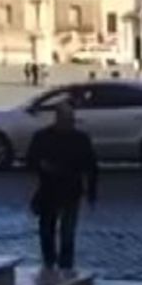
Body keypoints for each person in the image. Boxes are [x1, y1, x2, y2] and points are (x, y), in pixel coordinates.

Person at [26, 102, 98, 272]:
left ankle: (64, 265)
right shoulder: (43, 137)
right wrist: (42, 166)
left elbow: (91, 166)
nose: (70, 123)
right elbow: (31, 161)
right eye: (67, 119)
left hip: (70, 190)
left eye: (71, 119)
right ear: (58, 119)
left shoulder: (80, 139)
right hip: (49, 191)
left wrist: (91, 191)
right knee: (48, 230)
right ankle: (50, 262)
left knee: (66, 232)